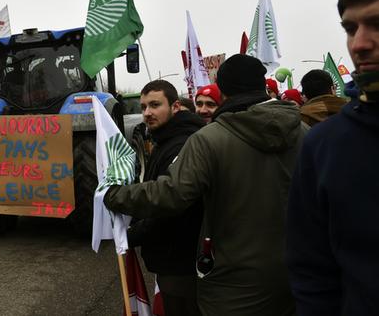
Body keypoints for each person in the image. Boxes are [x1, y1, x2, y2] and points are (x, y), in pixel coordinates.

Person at [104, 54, 305, 316]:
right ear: (262, 85)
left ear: (224, 90)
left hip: (233, 283)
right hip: (295, 275)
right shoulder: (306, 133)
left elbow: (172, 193)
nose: (147, 113)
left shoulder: (209, 139)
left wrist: (116, 195)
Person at [287, 0, 379, 315]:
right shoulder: (324, 145)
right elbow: (311, 270)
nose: (359, 43)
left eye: (377, 24)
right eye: (350, 28)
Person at [126, 80, 205, 316]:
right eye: (143, 107)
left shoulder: (182, 143)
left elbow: (169, 206)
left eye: (155, 105)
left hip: (181, 260)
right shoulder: (165, 139)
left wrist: (130, 235)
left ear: (176, 106)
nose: (147, 113)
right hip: (172, 256)